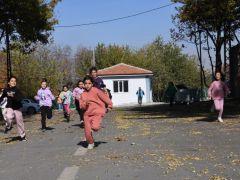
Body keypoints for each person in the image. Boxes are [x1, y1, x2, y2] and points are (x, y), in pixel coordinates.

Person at [80, 76, 112, 150]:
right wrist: (85, 104)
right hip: (87, 114)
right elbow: (82, 107)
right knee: (87, 132)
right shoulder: (82, 94)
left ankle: (93, 131)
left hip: (97, 112)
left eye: (89, 83)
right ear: (83, 84)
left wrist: (110, 106)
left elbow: (105, 98)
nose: (87, 85)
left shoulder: (96, 91)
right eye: (85, 83)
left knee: (95, 127)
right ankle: (91, 142)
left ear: (92, 84)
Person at [0, 76, 27, 141]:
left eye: (15, 81)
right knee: (8, 117)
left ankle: (22, 136)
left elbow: (21, 98)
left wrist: (13, 96)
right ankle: (9, 126)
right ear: (9, 82)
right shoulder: (6, 90)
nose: (13, 82)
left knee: (19, 122)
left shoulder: (17, 90)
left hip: (17, 108)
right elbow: (2, 97)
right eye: (12, 81)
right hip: (10, 107)